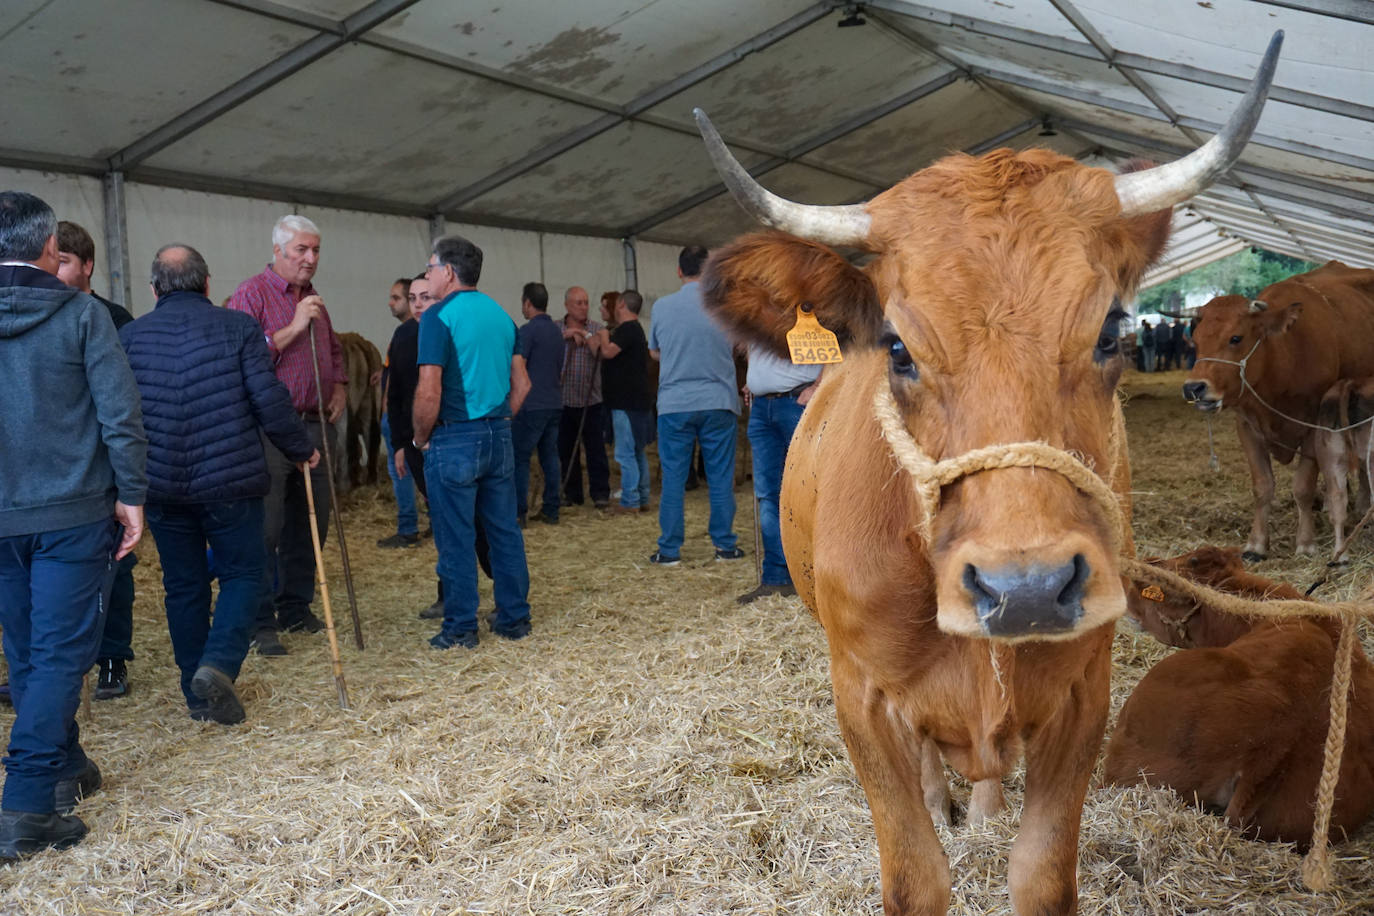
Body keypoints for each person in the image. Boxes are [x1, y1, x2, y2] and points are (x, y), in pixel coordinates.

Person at [0, 190, 146, 859]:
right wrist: (133, 494)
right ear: (49, 248)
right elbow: (120, 413)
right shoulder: (84, 314)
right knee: (60, 655)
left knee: (28, 648)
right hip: (73, 511)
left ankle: (66, 766)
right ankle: (30, 804)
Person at [120, 244, 318, 724]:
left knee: (183, 586)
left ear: (153, 290)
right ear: (207, 283)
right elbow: (268, 398)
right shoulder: (238, 327)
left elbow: (118, 413)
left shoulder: (130, 337)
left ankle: (197, 694)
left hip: (162, 484)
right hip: (230, 482)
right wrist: (300, 447)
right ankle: (219, 665)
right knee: (244, 573)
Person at [227, 214, 345, 656]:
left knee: (311, 523)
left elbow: (333, 351)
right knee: (267, 525)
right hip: (270, 428)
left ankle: (295, 605)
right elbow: (239, 359)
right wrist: (294, 327)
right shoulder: (251, 294)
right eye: (301, 250)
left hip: (315, 424)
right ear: (278, 250)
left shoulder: (315, 299)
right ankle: (259, 620)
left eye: (316, 250)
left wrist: (340, 386)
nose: (311, 258)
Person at [412, 235, 532, 649]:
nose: (428, 275)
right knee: (504, 531)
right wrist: (498, 419)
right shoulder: (502, 316)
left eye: (430, 267)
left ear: (448, 271)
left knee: (456, 537)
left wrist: (420, 437)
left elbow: (429, 389)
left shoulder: (437, 317)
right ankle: (514, 619)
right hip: (498, 433)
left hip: (454, 437)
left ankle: (461, 629)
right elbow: (523, 384)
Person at [53, 220, 138, 699]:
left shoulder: (113, 319)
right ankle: (47, 669)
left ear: (87, 265)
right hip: (54, 467)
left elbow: (124, 399)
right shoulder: (37, 314)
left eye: (63, 261)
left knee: (114, 565)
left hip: (101, 462)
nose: (54, 270)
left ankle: (112, 658)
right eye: (51, 259)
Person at [392, 273, 492, 619]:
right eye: (413, 298)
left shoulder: (450, 330)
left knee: (473, 518)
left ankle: (491, 584)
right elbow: (396, 395)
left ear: (439, 300)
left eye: (426, 297)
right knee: (443, 520)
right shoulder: (403, 337)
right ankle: (448, 593)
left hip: (453, 438)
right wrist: (401, 444)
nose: (419, 304)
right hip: (417, 444)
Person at [647, 246, 742, 565]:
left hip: (675, 402)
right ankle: (725, 546)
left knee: (673, 479)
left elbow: (655, 351)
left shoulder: (662, 306)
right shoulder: (724, 305)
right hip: (718, 399)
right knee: (720, 477)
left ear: (679, 271)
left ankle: (669, 550)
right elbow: (737, 347)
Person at [737, 347, 820, 602]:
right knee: (768, 493)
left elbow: (839, 345)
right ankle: (776, 578)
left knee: (808, 490)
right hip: (763, 405)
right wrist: (756, 378)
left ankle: (815, 577)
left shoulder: (810, 317)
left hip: (797, 400)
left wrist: (819, 385)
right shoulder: (756, 320)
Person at [594, 291, 654, 514]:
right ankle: (642, 496)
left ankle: (630, 500)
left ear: (621, 304)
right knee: (637, 451)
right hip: (636, 402)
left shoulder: (628, 329)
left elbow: (608, 352)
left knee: (625, 453)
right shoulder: (635, 330)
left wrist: (603, 336)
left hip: (625, 402)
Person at [512, 281, 564, 525]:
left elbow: (518, 367)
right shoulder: (556, 331)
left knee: (520, 458)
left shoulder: (527, 331)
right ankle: (552, 509)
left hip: (532, 404)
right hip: (554, 401)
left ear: (528, 303)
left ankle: (519, 512)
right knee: (550, 457)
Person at [557, 286, 611, 509]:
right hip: (564, 400)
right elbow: (549, 346)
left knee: (596, 449)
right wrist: (567, 335)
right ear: (567, 306)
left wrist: (585, 336)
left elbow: (599, 350)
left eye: (586, 303)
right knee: (566, 449)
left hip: (591, 401)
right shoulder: (556, 328)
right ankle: (572, 493)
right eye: (578, 303)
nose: (583, 307)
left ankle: (600, 493)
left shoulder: (597, 328)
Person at [377, 277, 419, 549]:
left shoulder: (404, 334)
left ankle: (407, 528)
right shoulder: (426, 330)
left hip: (400, 416)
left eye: (397, 298)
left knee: (400, 469)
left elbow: (397, 377)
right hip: (416, 415)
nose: (390, 303)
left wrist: (386, 410)